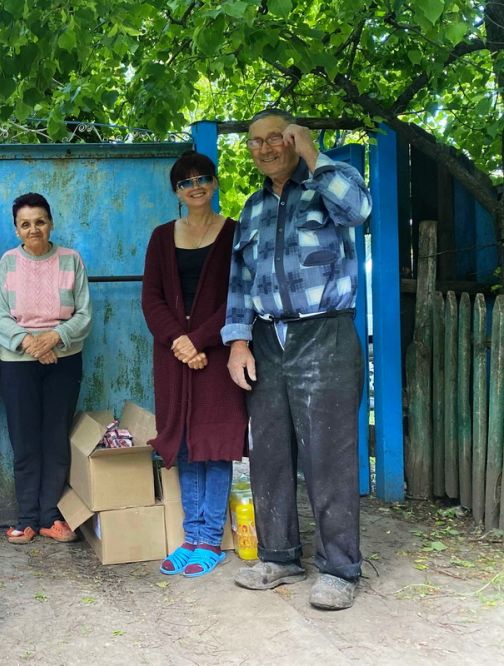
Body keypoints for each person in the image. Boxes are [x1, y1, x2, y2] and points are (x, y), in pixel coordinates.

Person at [223, 109, 371, 610]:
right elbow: (240, 282)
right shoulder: (251, 209)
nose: (264, 148)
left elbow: (358, 212)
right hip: (266, 340)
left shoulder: (330, 183)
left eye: (275, 139)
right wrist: (238, 341)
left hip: (323, 332)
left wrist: (312, 151)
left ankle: (339, 568)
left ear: (293, 139)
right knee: (268, 452)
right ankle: (280, 555)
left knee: (328, 455)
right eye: (254, 142)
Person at [142, 151, 247, 577]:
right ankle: (191, 536)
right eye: (186, 182)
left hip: (219, 355)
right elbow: (152, 298)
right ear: (176, 192)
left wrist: (198, 340)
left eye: (203, 178)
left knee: (216, 444)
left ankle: (211, 541)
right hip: (174, 357)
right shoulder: (162, 236)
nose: (195, 186)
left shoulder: (236, 233)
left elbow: (239, 296)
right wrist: (179, 342)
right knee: (185, 443)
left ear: (216, 183)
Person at [0, 192, 91, 545]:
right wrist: (31, 343)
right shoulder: (8, 263)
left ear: (51, 223)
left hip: (63, 361)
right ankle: (26, 518)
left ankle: (51, 516)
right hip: (18, 362)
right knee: (25, 440)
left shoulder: (71, 261)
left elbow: (83, 315)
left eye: (40, 222)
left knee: (55, 439)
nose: (34, 229)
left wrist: (54, 337)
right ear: (17, 229)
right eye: (25, 224)